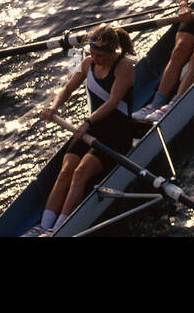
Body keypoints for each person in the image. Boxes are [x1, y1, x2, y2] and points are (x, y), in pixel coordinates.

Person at [24, 25, 136, 235]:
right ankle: (44, 226)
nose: (95, 59)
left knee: (80, 172)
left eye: (100, 55)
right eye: (92, 53)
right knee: (65, 171)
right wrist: (54, 106)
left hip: (117, 133)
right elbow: (67, 89)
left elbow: (113, 102)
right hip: (93, 129)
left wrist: (87, 122)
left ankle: (59, 229)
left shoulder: (125, 67)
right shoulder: (87, 64)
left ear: (113, 52)